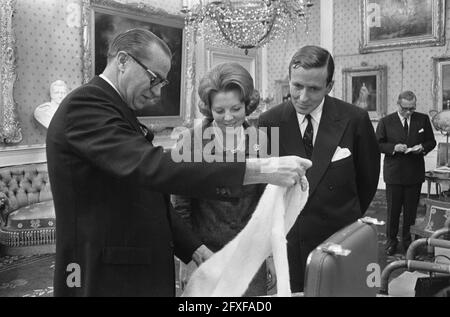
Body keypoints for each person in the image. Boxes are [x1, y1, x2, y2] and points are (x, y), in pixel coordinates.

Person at [46, 28, 311, 297]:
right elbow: (155, 168)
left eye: (162, 83)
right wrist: (260, 169)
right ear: (123, 61)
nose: (158, 93)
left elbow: (148, 196)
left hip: (135, 271)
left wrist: (195, 249)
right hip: (105, 275)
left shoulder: (116, 110)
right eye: (154, 79)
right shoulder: (86, 105)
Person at [258, 45, 380, 292]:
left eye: (313, 89)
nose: (303, 97)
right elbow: (265, 184)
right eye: (297, 86)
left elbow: (367, 182)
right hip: (290, 243)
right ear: (289, 80)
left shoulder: (354, 119)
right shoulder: (269, 121)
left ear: (329, 86)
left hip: (339, 239)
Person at [172, 62, 274, 296]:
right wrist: (187, 259)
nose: (228, 118)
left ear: (247, 105)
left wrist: (269, 255)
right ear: (208, 109)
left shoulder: (262, 141)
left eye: (236, 109)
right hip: (205, 257)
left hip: (250, 257)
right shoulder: (189, 143)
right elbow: (181, 208)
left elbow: (266, 203)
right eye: (219, 111)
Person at [376, 91, 436, 255]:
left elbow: (431, 141)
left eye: (412, 108)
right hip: (394, 174)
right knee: (393, 212)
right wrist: (393, 148)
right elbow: (378, 144)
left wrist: (422, 148)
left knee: (411, 212)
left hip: (414, 174)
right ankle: (391, 242)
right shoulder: (386, 121)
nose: (409, 112)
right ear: (398, 104)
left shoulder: (422, 119)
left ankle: (409, 243)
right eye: (405, 109)